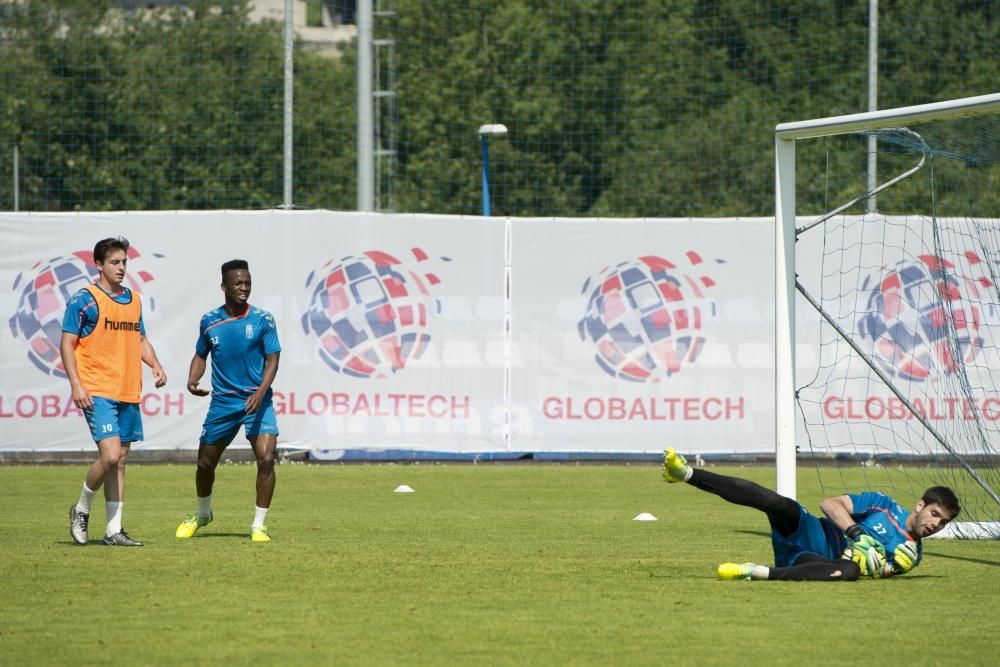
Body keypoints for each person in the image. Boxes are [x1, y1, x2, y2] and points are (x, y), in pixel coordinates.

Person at [661, 448, 960, 581]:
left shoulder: (911, 554)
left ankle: (755, 573)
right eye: (935, 514)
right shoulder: (882, 505)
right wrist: (858, 536)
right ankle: (685, 473)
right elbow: (829, 504)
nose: (935, 524)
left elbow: (878, 572)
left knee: (850, 573)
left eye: (943, 521)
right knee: (776, 502)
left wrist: (881, 567)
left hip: (812, 561)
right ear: (920, 505)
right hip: (810, 531)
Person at [63, 236, 167, 547]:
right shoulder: (84, 299)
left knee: (120, 461)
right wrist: (76, 384)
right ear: (98, 264)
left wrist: (155, 364)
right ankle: (80, 509)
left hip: (127, 390)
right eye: (115, 262)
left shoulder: (133, 300)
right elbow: (67, 343)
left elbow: (139, 339)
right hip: (98, 390)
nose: (121, 268)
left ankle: (113, 531)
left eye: (124, 262)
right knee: (109, 457)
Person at [175, 259, 281, 543]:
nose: (244, 288)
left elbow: (273, 358)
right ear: (224, 287)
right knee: (205, 465)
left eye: (247, 283)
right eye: (238, 284)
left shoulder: (263, 319)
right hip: (223, 404)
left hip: (258, 401)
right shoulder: (210, 321)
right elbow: (201, 353)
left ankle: (259, 526)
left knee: (267, 458)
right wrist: (192, 380)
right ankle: (203, 514)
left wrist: (260, 393)